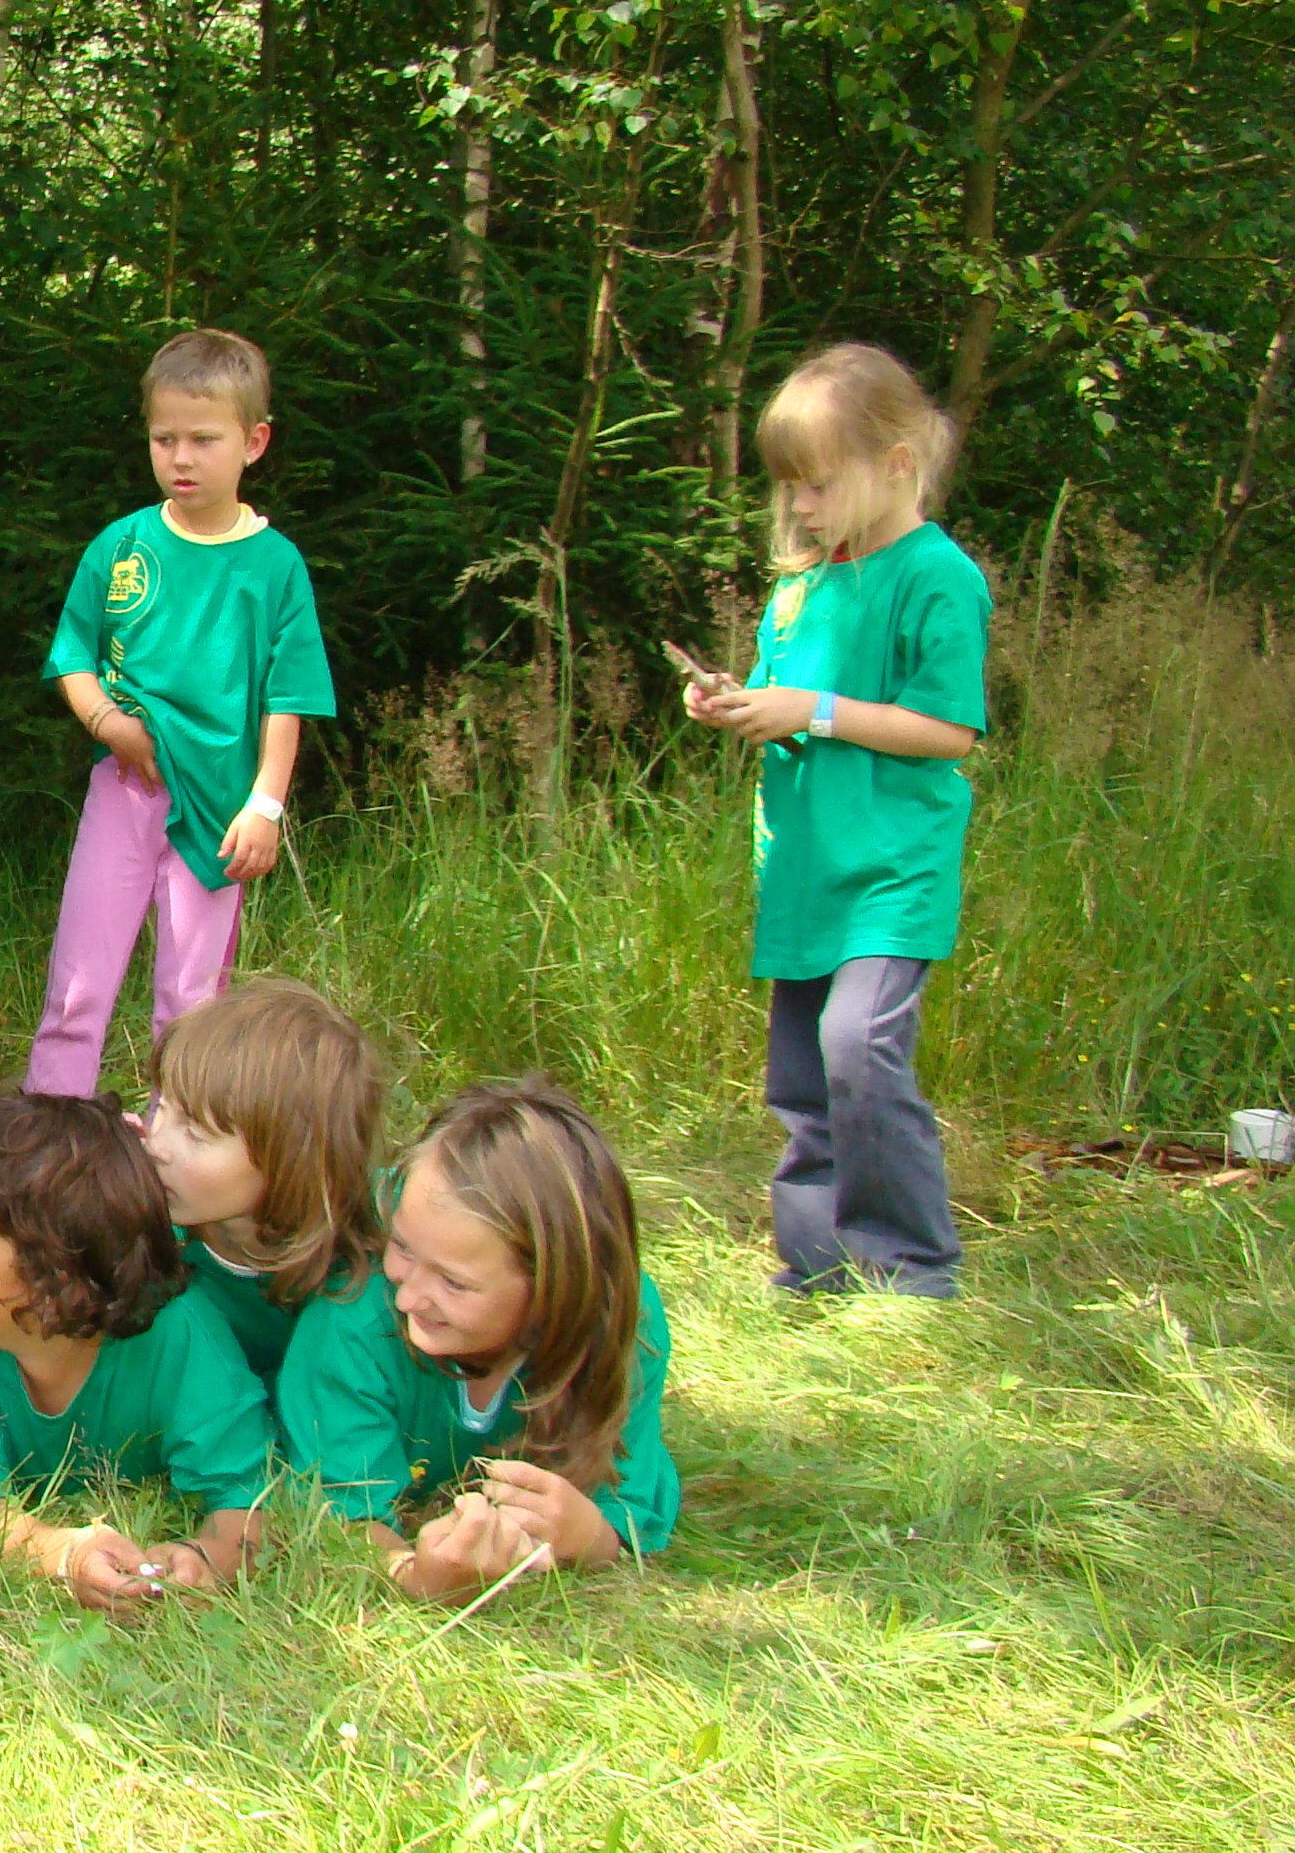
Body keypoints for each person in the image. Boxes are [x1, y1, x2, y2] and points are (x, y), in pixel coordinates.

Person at [685, 343, 990, 1299]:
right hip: (804, 873)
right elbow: (782, 702)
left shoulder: (937, 577)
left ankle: (913, 1263)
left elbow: (948, 731)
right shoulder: (798, 591)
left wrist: (810, 710)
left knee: (860, 1051)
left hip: (892, 873)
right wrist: (734, 702)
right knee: (802, 1078)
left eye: (818, 485)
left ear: (896, 463)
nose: (802, 507)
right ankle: (817, 1265)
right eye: (790, 487)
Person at [26, 328, 333, 1097]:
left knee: (192, 1003)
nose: (181, 458)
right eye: (164, 439)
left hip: (219, 810)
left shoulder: (274, 566)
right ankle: (49, 1129)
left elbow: (288, 700)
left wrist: (265, 806)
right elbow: (72, 655)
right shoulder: (123, 546)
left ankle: (179, 1141)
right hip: (125, 791)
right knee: (77, 984)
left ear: (253, 442)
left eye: (203, 439)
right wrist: (108, 724)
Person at [277, 1076, 678, 1603]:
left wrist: (586, 1535)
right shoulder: (354, 1317)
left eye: (453, 1283)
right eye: (402, 1246)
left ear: (555, 1288)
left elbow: (627, 1500)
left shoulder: (624, 1321)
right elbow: (340, 1512)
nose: (407, 1297)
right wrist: (414, 1575)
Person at [0, 1093, 273, 1616]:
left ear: (50, 1289)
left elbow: (248, 1498)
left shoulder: (181, 1342)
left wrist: (202, 1560)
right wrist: (65, 1554)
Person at [137, 974, 387, 1381]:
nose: (158, 1145)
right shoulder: (150, 1243)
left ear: (291, 1160)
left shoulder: (367, 1252)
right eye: (162, 1108)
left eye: (196, 1134)